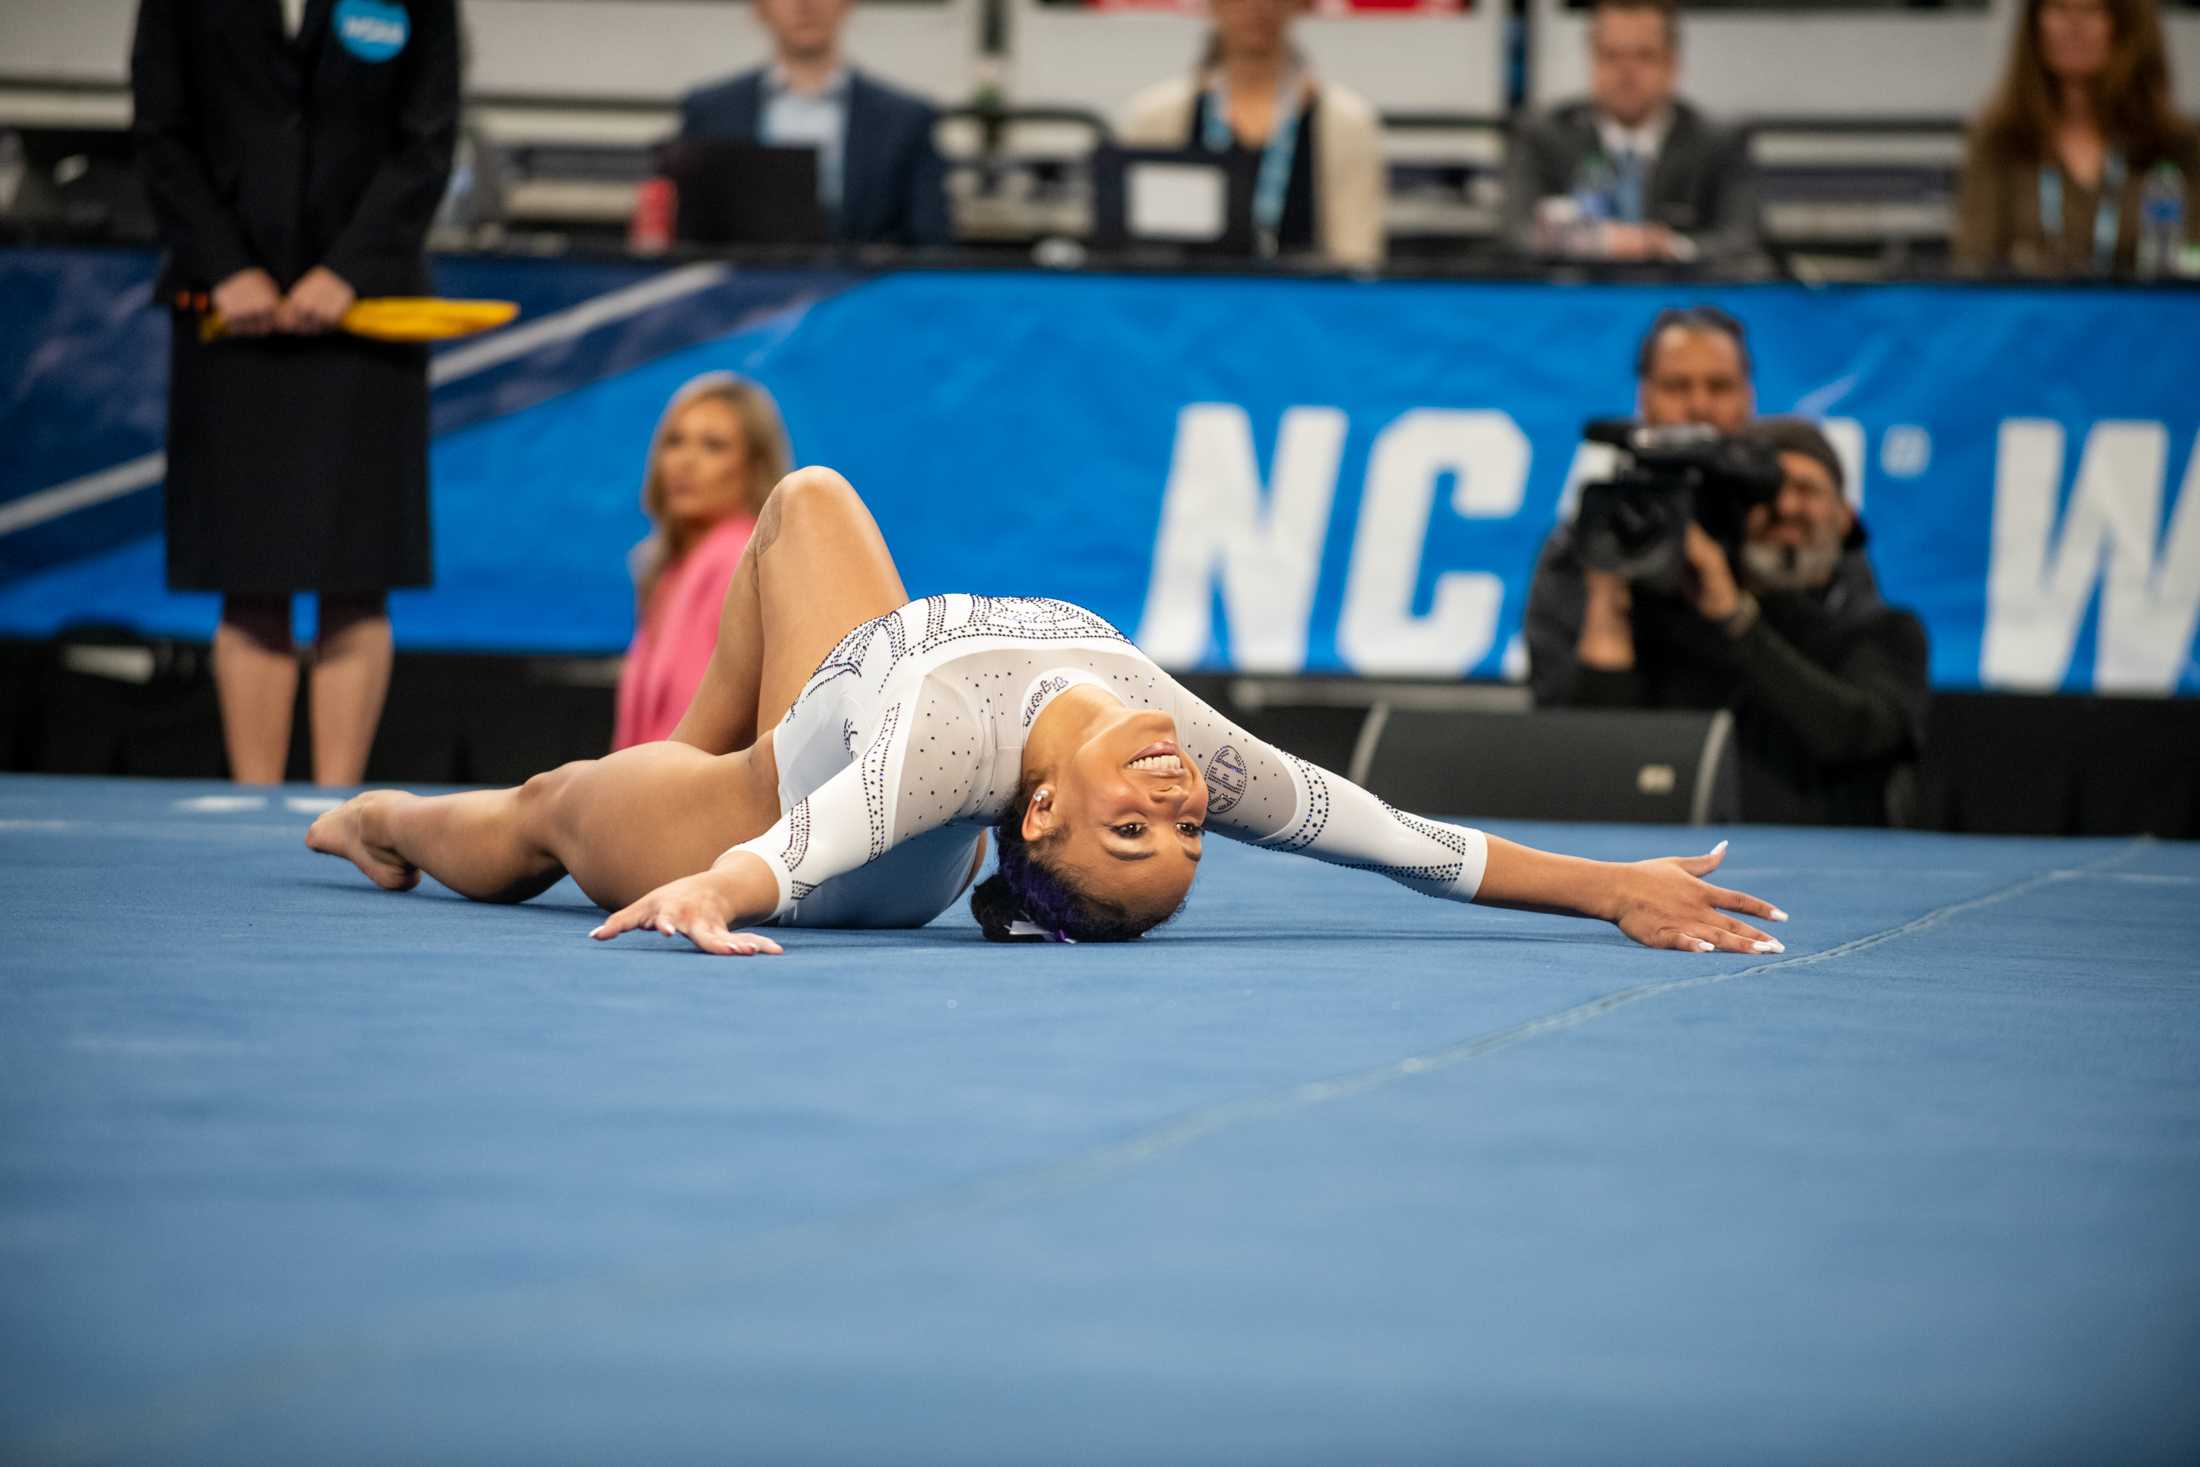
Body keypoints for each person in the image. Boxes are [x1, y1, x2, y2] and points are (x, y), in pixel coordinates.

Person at [308, 467, 1788, 958]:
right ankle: (699, 743)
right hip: (828, 716)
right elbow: (1410, 843)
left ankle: (375, 819)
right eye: (1186, 832)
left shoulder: (945, 754)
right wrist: (1614, 889)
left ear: (1038, 814)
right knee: (806, 497)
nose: (1183, 801)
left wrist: (719, 874)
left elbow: (825, 828)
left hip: (796, 826)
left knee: (549, 812)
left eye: (1136, 830)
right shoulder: (1182, 746)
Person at [131, 0, 458, 785]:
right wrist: (225, 266)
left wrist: (349, 269)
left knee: (357, 573)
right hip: (229, 318)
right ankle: (254, 799)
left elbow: (427, 142)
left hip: (368, 315)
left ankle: (336, 802)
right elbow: (160, 134)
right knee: (251, 577)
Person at [1527, 404, 1930, 828]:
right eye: (1766, 495)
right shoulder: (1670, 631)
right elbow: (1596, 764)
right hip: (1679, 866)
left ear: (1846, 516)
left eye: (1807, 490)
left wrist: (1737, 618)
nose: (1786, 507)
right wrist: (1608, 601)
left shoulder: (1886, 633)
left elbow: (1857, 736)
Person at [1119, 0, 1387, 269]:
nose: (1257, 7)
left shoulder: (1347, 123)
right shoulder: (1154, 119)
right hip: (1189, 300)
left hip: (1304, 302)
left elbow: (1357, 257)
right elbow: (1139, 251)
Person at [1501, 0, 1760, 266]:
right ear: (1591, 58)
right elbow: (1518, 232)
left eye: (1644, 55)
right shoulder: (1543, 135)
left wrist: (1671, 247)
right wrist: (1599, 242)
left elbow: (1741, 240)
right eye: (1611, 55)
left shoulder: (1720, 142)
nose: (1626, 72)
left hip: (1679, 295)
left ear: (1672, 64)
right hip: (1576, 298)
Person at [676, 0, 950, 248]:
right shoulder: (710, 111)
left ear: (848, 4)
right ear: (759, 8)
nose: (805, 4)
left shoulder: (906, 120)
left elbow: (930, 244)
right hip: (734, 295)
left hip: (861, 295)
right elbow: (685, 235)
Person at [614, 374, 792, 750]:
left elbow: (700, 737)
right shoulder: (669, 570)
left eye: (714, 446)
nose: (686, 462)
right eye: (675, 442)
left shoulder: (734, 558)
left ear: (754, 466)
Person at [1956, 0, 2199, 275]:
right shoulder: (1999, 139)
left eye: (2093, 11)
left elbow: (2192, 257)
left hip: (2148, 315)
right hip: (2031, 314)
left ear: (2128, 26)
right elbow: (1973, 265)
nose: (2074, 27)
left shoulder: (2176, 145)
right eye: (2059, 9)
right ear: (2035, 23)